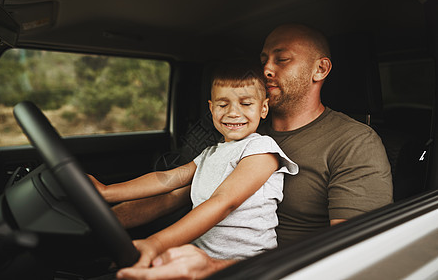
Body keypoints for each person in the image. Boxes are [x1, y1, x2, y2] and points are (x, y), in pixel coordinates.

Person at [115, 23, 393, 279]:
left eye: (281, 60)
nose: (266, 69)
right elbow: (175, 195)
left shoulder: (354, 142)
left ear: (319, 69)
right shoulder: (242, 132)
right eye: (263, 61)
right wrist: (107, 220)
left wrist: (215, 268)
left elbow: (351, 255)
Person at [90, 61, 299, 268]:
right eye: (223, 104)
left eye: (245, 104)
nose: (233, 113)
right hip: (200, 258)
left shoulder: (261, 149)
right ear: (211, 108)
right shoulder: (210, 153)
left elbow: (224, 203)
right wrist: (107, 192)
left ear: (263, 108)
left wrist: (155, 244)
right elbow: (167, 179)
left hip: (246, 266)